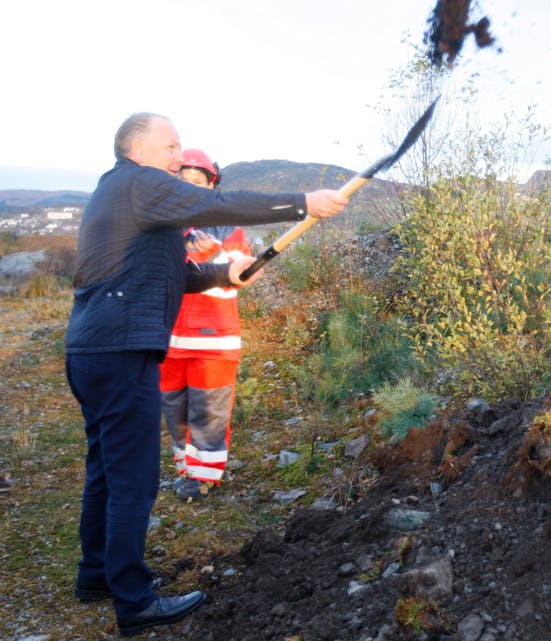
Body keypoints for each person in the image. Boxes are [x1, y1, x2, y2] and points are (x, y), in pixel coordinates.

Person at [65, 112, 347, 636]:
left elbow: (179, 272)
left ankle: (95, 575)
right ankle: (134, 600)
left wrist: (224, 271)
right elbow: (214, 203)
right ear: (137, 147)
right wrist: (302, 203)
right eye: (171, 145)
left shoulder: (125, 196)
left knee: (105, 466)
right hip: (121, 350)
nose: (179, 156)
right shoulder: (139, 182)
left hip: (91, 349)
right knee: (132, 479)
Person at [160, 149, 248, 501]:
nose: (189, 188)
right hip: (167, 341)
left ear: (212, 184)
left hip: (214, 342)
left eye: (198, 182)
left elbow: (239, 278)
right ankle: (186, 470)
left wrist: (213, 254)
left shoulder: (230, 229)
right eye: (183, 182)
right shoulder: (163, 225)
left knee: (209, 412)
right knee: (174, 410)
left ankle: (205, 478)